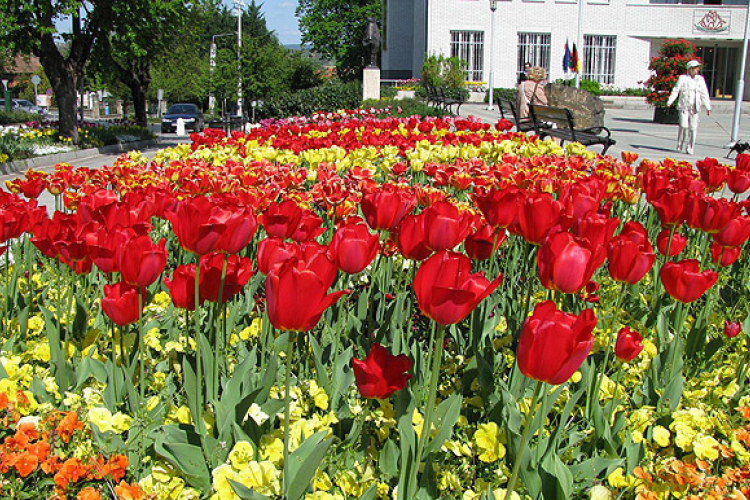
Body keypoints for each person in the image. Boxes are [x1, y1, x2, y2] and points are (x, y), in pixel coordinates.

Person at [666, 59, 711, 155]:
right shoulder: (683, 78)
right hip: (684, 107)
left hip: (694, 108)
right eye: (695, 68)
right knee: (683, 126)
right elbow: (676, 90)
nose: (697, 70)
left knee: (693, 128)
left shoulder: (700, 79)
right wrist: (670, 101)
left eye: (697, 68)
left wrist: (708, 107)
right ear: (690, 69)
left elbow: (704, 93)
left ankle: (690, 148)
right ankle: (680, 144)